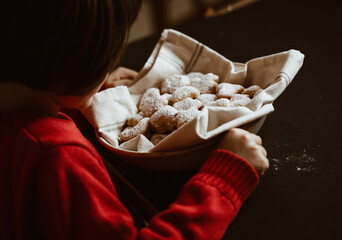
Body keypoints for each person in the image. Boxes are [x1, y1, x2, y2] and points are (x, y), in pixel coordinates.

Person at [0, 0, 269, 239]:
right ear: (76, 68)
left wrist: (77, 102)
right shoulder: (62, 159)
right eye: (104, 61)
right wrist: (224, 181)